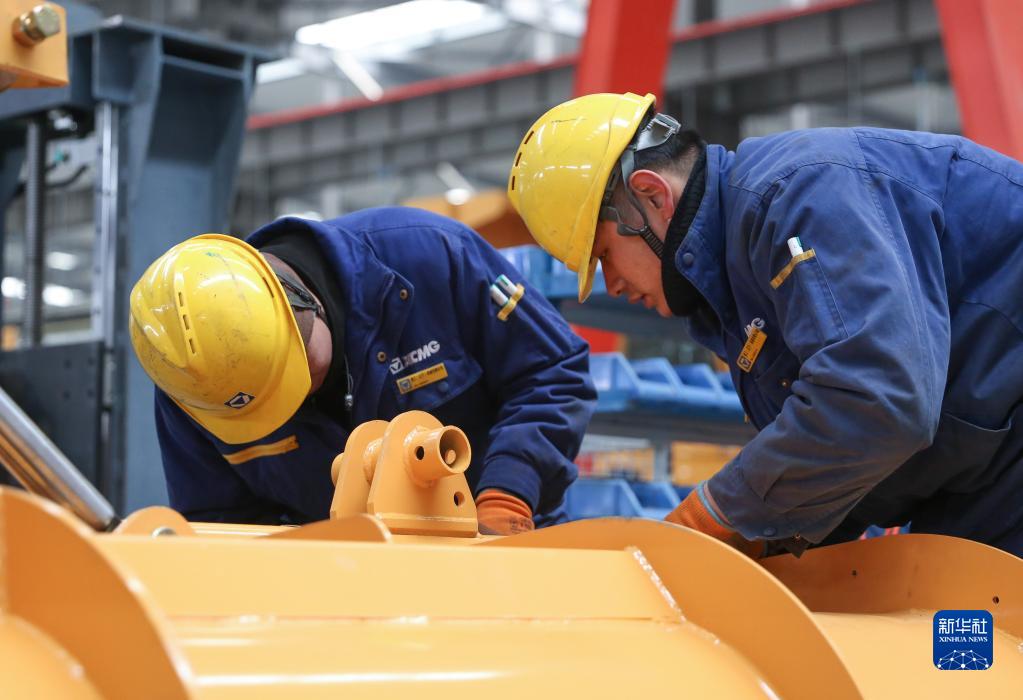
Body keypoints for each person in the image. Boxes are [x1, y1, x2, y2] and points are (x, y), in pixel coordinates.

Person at [508, 91, 1023, 557]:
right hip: (982, 475)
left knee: (974, 626)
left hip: (1000, 456)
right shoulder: (737, 285)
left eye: (603, 255)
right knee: (955, 629)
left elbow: (876, 399)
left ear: (652, 195)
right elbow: (847, 454)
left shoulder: (801, 195)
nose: (613, 284)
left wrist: (712, 515)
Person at [129, 206, 596, 534]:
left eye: (298, 377)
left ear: (304, 301)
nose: (295, 404)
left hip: (502, 553)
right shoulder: (198, 385)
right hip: (344, 599)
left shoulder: (431, 258)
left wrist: (509, 493)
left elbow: (554, 372)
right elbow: (222, 528)